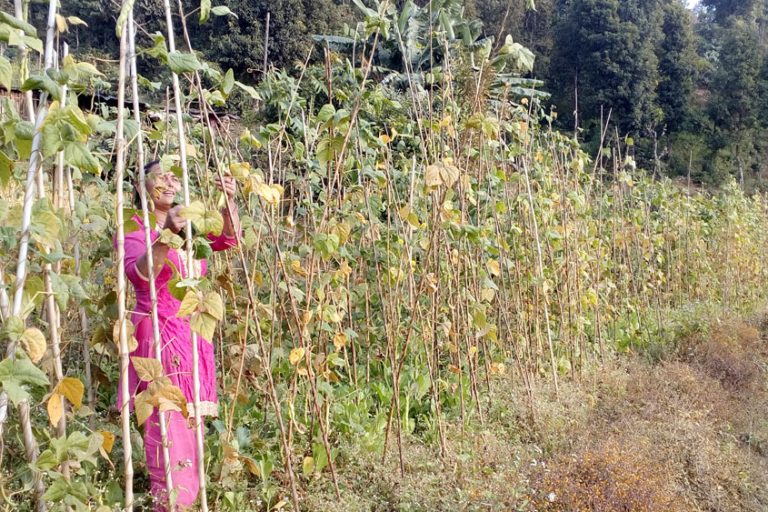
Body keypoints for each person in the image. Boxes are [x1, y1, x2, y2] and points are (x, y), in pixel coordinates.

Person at [118, 160, 239, 509]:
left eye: (174, 175)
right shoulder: (134, 227)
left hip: (192, 338)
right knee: (168, 439)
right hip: (159, 336)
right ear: (142, 187)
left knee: (192, 438)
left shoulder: (188, 221)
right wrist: (163, 236)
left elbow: (227, 239)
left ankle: (184, 503)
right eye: (161, 176)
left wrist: (228, 202)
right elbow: (140, 275)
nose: (170, 181)